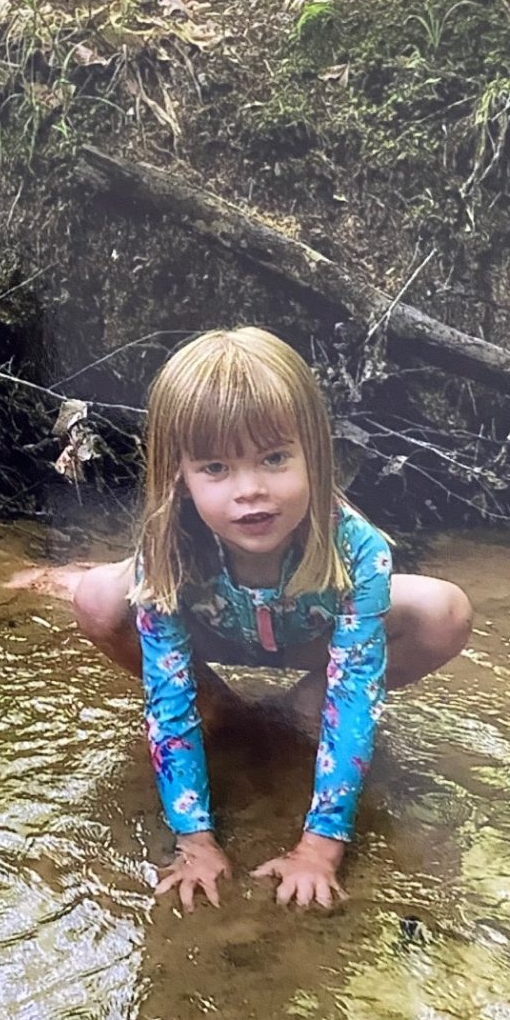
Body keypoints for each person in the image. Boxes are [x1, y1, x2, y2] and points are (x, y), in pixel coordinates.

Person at [68, 328, 472, 911]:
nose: (251, 491)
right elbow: (166, 698)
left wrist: (320, 849)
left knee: (444, 610)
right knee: (98, 596)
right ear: (178, 474)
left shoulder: (360, 551)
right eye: (215, 468)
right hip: (217, 630)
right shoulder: (169, 547)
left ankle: (304, 709)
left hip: (315, 639)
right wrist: (195, 841)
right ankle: (222, 705)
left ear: (315, 453)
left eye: (275, 458)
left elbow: (356, 697)